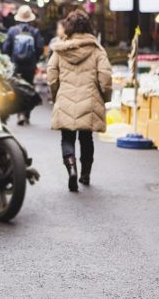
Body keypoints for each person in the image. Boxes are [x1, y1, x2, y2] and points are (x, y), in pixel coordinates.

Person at [47, 10, 112, 192]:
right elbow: (105, 78)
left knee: (67, 137)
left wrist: (57, 95)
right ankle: (85, 173)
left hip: (66, 97)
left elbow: (52, 76)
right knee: (86, 137)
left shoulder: (60, 50)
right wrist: (105, 97)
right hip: (90, 100)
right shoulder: (97, 50)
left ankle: (71, 168)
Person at [2, 5, 45, 125]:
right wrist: (34, 61)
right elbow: (40, 48)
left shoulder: (12, 31)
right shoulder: (35, 32)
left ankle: (19, 114)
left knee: (17, 89)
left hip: (16, 66)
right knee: (29, 89)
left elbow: (6, 48)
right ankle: (26, 114)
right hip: (30, 67)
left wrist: (11, 60)